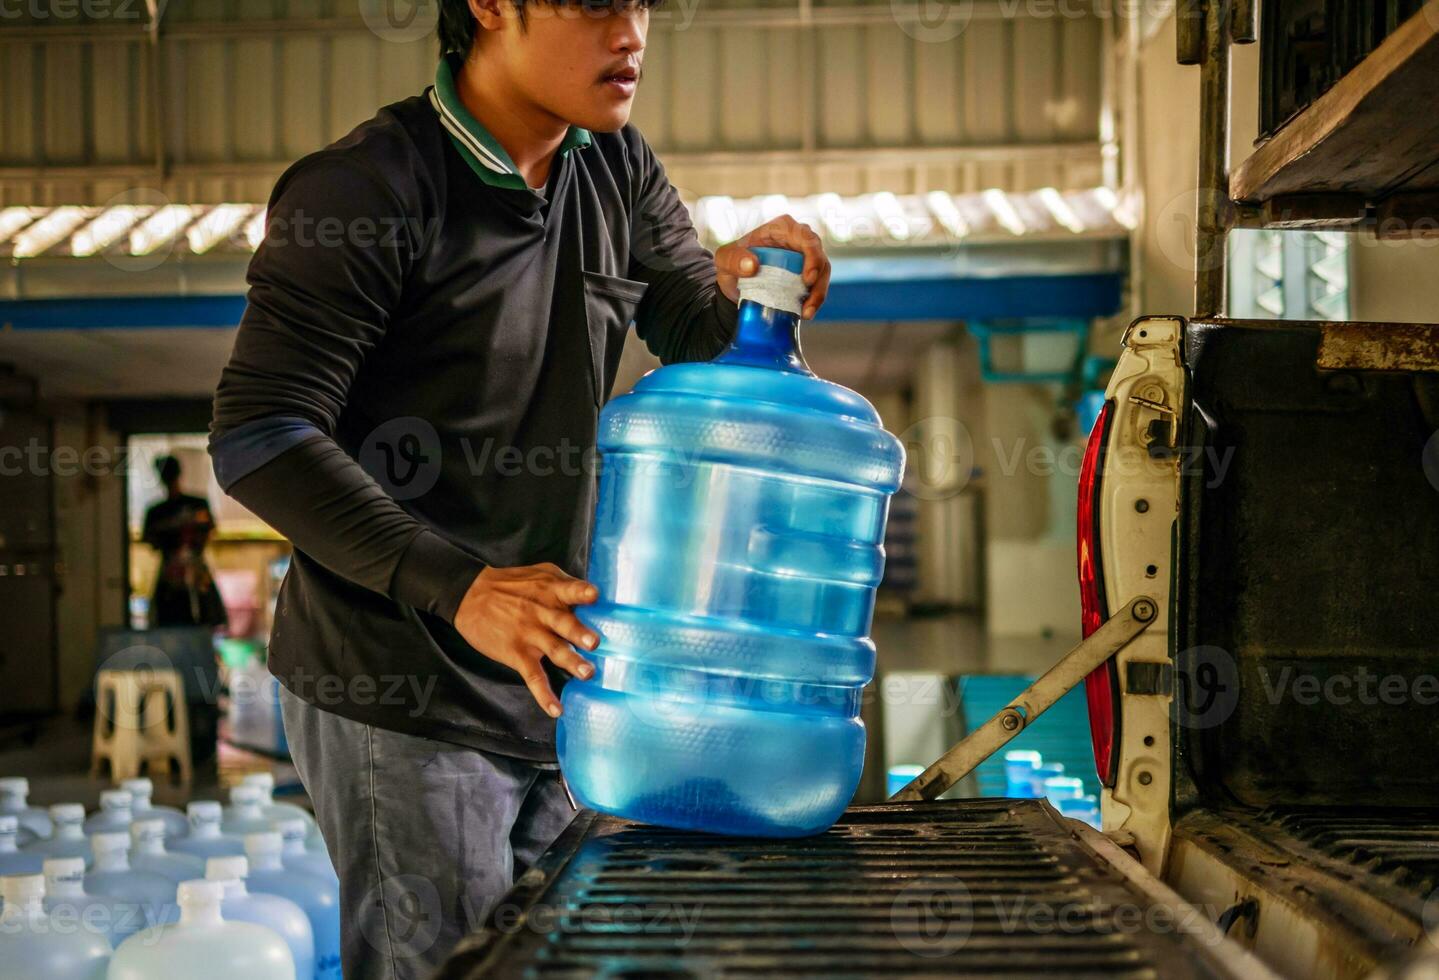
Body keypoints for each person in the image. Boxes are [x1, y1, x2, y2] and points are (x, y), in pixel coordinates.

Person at [208, 2, 832, 977]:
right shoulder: (370, 186)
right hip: (401, 677)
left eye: (642, 5)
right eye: (594, 5)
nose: (629, 33)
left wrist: (743, 292)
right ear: (492, 6)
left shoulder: (611, 165)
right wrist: (459, 586)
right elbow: (260, 434)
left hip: (559, 676)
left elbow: (687, 322)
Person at [141, 455, 227, 628]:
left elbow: (209, 530)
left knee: (201, 616)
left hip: (191, 570)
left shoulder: (188, 506)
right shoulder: (162, 511)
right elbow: (151, 539)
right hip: (173, 574)